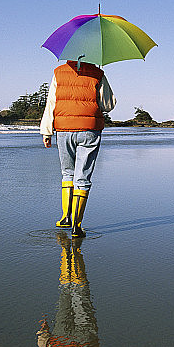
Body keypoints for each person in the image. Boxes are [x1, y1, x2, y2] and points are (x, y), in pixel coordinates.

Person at [40, 57, 116, 236]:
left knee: (67, 172)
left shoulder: (58, 72)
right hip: (89, 130)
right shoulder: (98, 74)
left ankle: (65, 216)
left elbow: (51, 103)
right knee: (83, 177)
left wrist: (46, 131)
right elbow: (109, 105)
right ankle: (77, 226)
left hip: (64, 129)